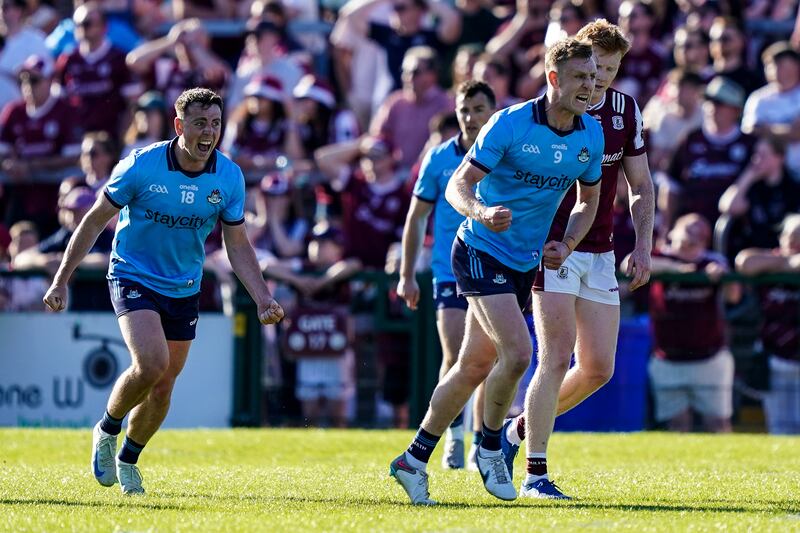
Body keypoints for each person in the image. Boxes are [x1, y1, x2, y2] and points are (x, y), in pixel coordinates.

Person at [389, 37, 603, 505]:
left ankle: (412, 459)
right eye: (580, 78)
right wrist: (483, 213)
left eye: (593, 77)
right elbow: (458, 187)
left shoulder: (590, 135)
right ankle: (491, 446)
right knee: (520, 352)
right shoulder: (510, 123)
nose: (590, 86)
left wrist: (566, 242)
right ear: (553, 79)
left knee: (473, 366)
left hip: (524, 263)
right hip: (479, 248)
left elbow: (589, 201)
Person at [41, 88, 285, 495]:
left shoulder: (228, 176)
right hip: (132, 274)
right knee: (151, 362)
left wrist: (262, 296)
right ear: (179, 126)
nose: (209, 132)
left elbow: (237, 243)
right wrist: (61, 278)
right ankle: (106, 429)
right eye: (200, 123)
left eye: (215, 123)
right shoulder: (141, 165)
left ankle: (129, 458)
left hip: (183, 285)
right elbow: (93, 220)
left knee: (164, 385)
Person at [501, 19, 655, 500]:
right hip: (552, 245)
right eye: (595, 68)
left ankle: (513, 433)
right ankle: (535, 475)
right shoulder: (553, 109)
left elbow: (641, 186)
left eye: (610, 69)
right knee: (554, 356)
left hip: (602, 249)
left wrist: (645, 244)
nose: (601, 78)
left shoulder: (625, 111)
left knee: (598, 368)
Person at [397, 80, 496, 470]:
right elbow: (416, 217)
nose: (470, 117)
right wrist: (406, 274)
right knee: (455, 354)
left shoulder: (504, 154)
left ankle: (481, 442)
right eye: (464, 109)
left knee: (489, 356)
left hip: (492, 265)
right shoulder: (439, 158)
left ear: (492, 111)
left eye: (478, 108)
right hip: (449, 269)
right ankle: (453, 437)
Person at [645, 213, 738, 433]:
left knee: (718, 423)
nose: (694, 231)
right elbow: (629, 264)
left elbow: (734, 297)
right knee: (677, 425)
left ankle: (728, 467)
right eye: (688, 227)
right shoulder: (657, 256)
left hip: (710, 357)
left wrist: (724, 278)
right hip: (667, 358)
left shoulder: (713, 261)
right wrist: (677, 270)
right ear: (673, 231)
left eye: (700, 229)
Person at [736, 214, 800, 434]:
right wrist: (788, 262)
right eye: (791, 236)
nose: (795, 241)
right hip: (776, 356)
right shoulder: (772, 259)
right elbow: (745, 262)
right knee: (780, 428)